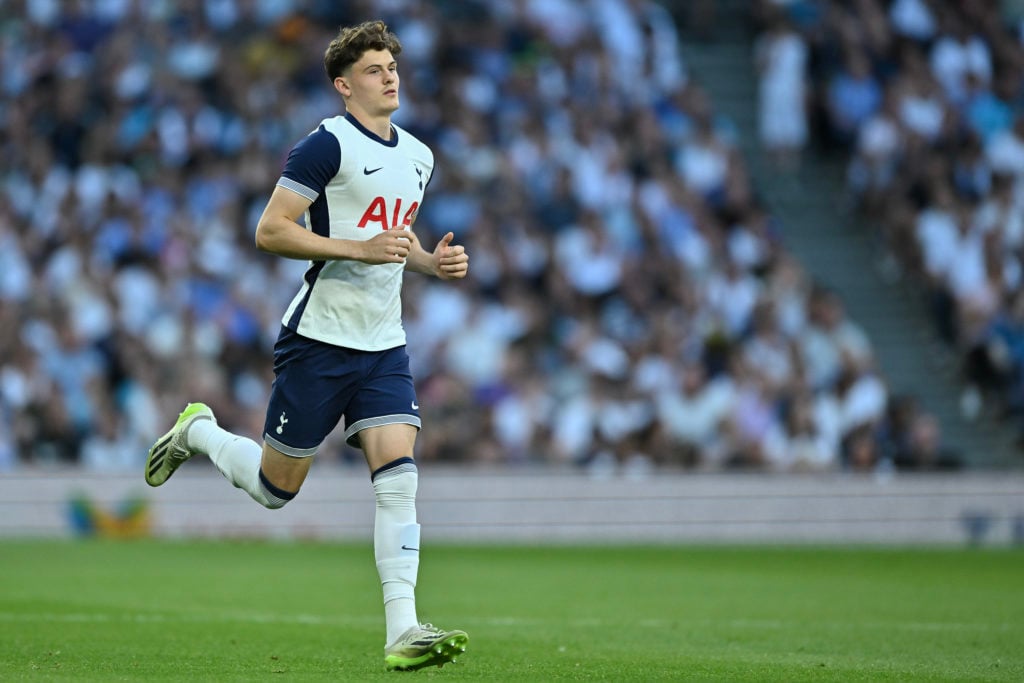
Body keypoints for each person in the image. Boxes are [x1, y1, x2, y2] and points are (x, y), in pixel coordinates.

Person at [143, 20, 470, 672]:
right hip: (317, 341)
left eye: (393, 67)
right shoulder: (325, 145)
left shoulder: (419, 156)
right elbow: (270, 230)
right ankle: (199, 430)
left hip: (383, 345)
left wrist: (436, 262)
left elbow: (393, 244)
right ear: (345, 85)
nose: (390, 77)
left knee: (398, 478)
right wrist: (356, 248)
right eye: (376, 70)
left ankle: (402, 629)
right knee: (274, 489)